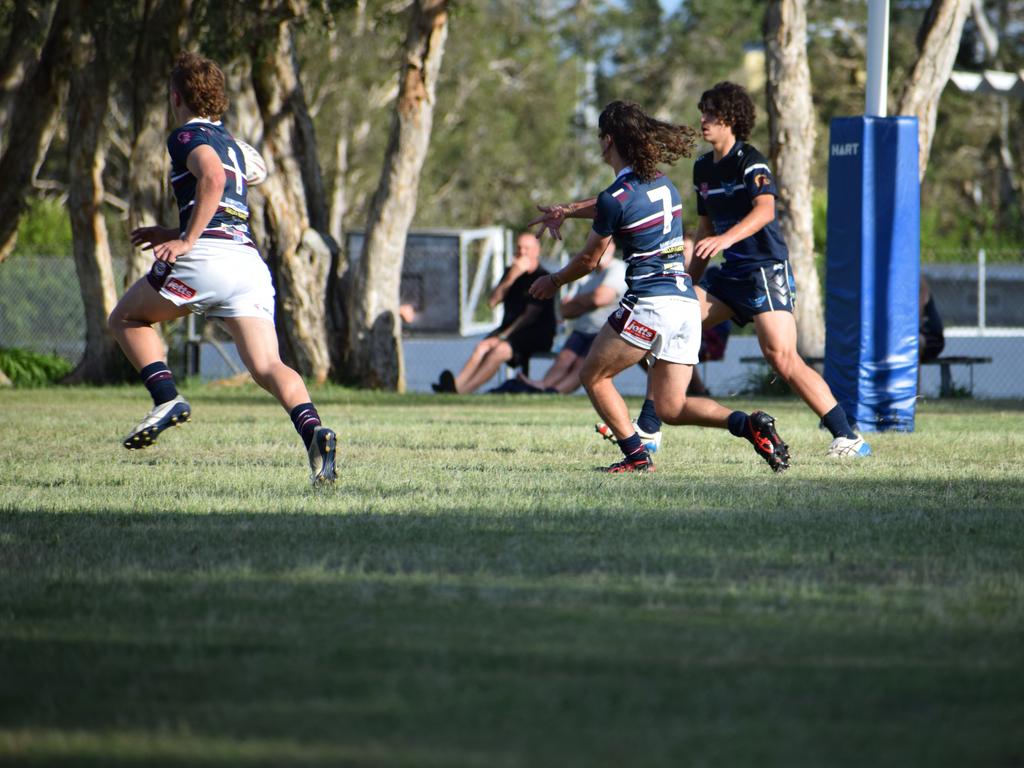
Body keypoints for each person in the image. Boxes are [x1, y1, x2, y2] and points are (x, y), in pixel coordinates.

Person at [535, 82, 869, 460]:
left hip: (762, 269)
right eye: (703, 111)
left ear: (731, 120)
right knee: (665, 329)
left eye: (711, 112)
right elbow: (703, 227)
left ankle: (847, 435)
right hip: (727, 275)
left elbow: (765, 212)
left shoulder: (749, 160)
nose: (703, 118)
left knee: (781, 357)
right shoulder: (703, 169)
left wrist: (726, 241)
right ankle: (649, 427)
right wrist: (686, 280)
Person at [107, 51, 337, 486]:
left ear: (176, 97)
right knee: (269, 365)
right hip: (246, 263)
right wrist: (172, 228)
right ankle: (315, 433)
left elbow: (211, 180)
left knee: (126, 318)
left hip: (206, 258)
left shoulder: (184, 136)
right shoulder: (231, 143)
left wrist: (186, 240)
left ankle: (167, 398)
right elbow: (228, 192)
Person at [528, 100, 789, 473]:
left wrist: (552, 281)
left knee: (593, 376)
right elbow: (613, 203)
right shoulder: (664, 186)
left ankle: (636, 458)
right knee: (672, 407)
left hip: (649, 305)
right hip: (684, 305)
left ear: (608, 141)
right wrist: (568, 210)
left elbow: (591, 259)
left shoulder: (614, 198)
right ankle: (748, 424)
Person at [432, 233, 556, 394]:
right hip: (508, 330)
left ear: (536, 251)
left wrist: (503, 336)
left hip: (535, 333)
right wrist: (512, 276)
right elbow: (492, 302)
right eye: (519, 248)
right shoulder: (510, 272)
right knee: (481, 347)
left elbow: (529, 316)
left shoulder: (542, 277)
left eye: (527, 248)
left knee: (499, 350)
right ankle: (455, 386)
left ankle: (463, 392)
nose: (522, 252)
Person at [516, 242, 626, 394]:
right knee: (564, 358)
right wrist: (586, 302)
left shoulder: (617, 269)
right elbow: (565, 310)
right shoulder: (586, 272)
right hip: (582, 330)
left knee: (583, 364)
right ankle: (541, 386)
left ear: (612, 247)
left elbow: (600, 298)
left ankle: (556, 391)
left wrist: (580, 302)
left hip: (606, 331)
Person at [920, 275, 945, 362]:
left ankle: (915, 375)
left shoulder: (917, 280)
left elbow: (918, 315)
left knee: (916, 341)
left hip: (932, 337)